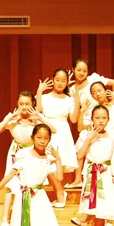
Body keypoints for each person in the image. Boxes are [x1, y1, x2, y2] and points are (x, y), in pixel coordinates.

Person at [0, 91, 51, 225]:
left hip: (32, 154)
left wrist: (40, 118)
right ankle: (4, 218)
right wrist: (9, 118)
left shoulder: (37, 118)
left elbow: (53, 130)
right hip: (16, 153)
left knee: (31, 184)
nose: (24, 107)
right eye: (21, 104)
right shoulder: (12, 119)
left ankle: (31, 218)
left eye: (27, 104)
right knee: (11, 184)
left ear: (33, 104)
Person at [65, 58, 114, 188]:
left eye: (84, 70)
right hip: (87, 119)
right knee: (80, 147)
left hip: (102, 116)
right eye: (79, 70)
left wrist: (113, 99)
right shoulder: (72, 90)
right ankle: (78, 179)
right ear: (73, 70)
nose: (81, 73)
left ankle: (109, 175)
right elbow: (74, 118)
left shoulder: (94, 79)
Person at [37, 69, 82, 206]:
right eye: (57, 80)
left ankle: (60, 194)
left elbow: (73, 119)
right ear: (52, 79)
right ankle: (60, 192)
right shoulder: (45, 97)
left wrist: (77, 102)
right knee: (47, 163)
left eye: (63, 81)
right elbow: (38, 110)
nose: (60, 83)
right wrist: (39, 91)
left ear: (67, 82)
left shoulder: (68, 100)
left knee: (56, 164)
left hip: (62, 132)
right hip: (47, 129)